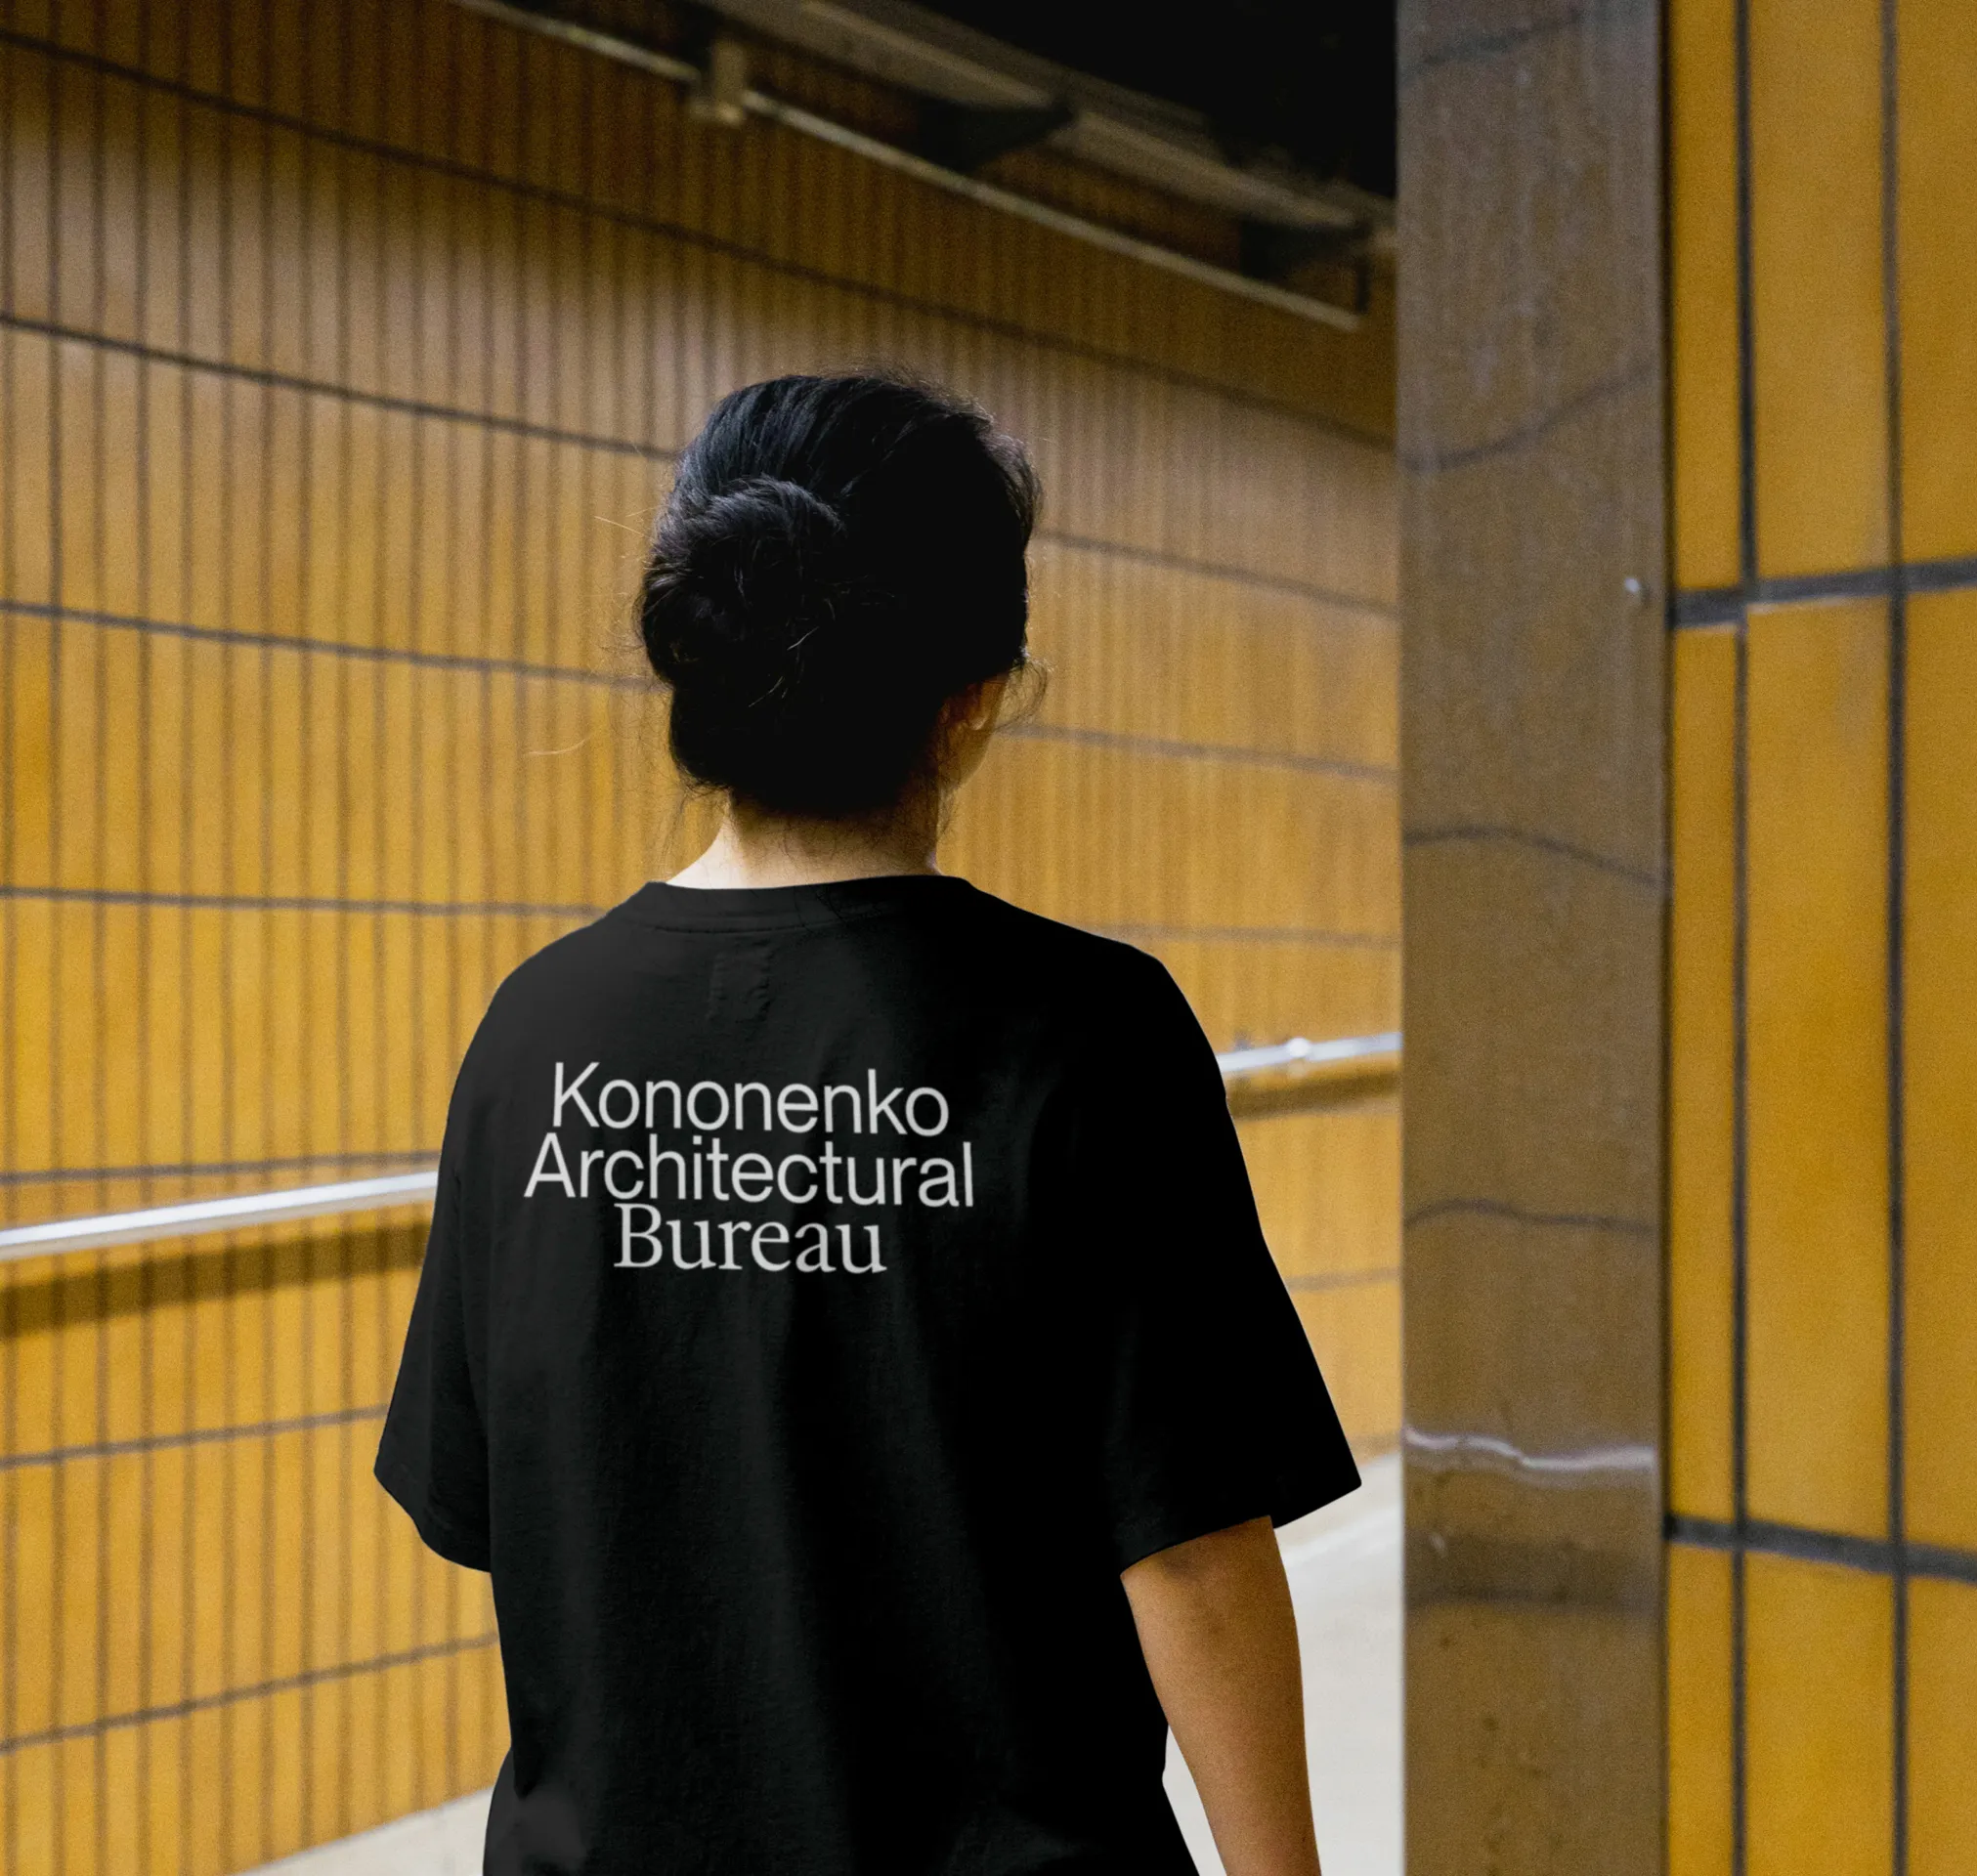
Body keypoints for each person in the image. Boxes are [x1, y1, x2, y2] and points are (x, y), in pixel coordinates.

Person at [376, 372, 1358, 1876]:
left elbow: (492, 1508)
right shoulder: (1086, 1034)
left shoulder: (536, 1035)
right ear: (973, 697)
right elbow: (1188, 1550)